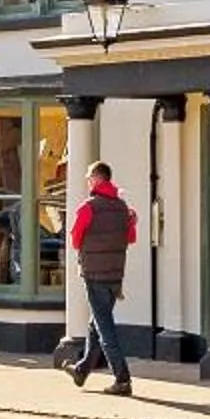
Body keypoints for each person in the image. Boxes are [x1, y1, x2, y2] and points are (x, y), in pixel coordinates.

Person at [63, 161, 136, 395]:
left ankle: (122, 378)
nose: (87, 182)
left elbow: (75, 240)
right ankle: (82, 369)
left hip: (94, 274)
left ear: (96, 178)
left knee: (104, 327)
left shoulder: (88, 208)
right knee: (97, 323)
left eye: (88, 178)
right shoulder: (123, 208)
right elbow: (131, 238)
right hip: (115, 274)